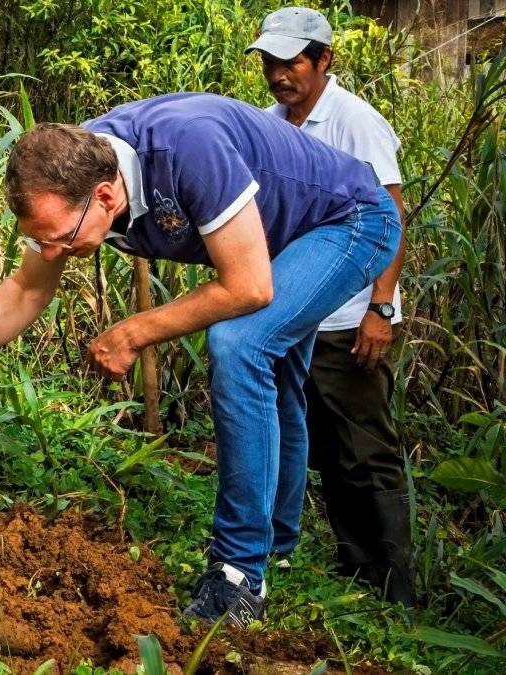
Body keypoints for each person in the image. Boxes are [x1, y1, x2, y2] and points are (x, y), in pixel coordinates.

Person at [0, 93, 401, 626]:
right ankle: (277, 545)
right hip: (275, 233)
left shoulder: (187, 149)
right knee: (276, 376)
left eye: (57, 240)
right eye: (38, 240)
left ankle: (239, 576)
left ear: (104, 196)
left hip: (348, 221)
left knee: (240, 344)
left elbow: (249, 287)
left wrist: (133, 332)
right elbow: (30, 286)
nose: (50, 254)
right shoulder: (68, 171)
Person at [247, 6, 413, 605]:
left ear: (323, 60)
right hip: (295, 316)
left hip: (349, 319)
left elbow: (390, 219)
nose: (277, 74)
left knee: (366, 452)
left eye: (290, 62)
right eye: (269, 62)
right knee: (322, 448)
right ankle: (355, 572)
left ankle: (396, 593)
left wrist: (381, 308)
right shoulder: (271, 124)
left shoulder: (355, 124)